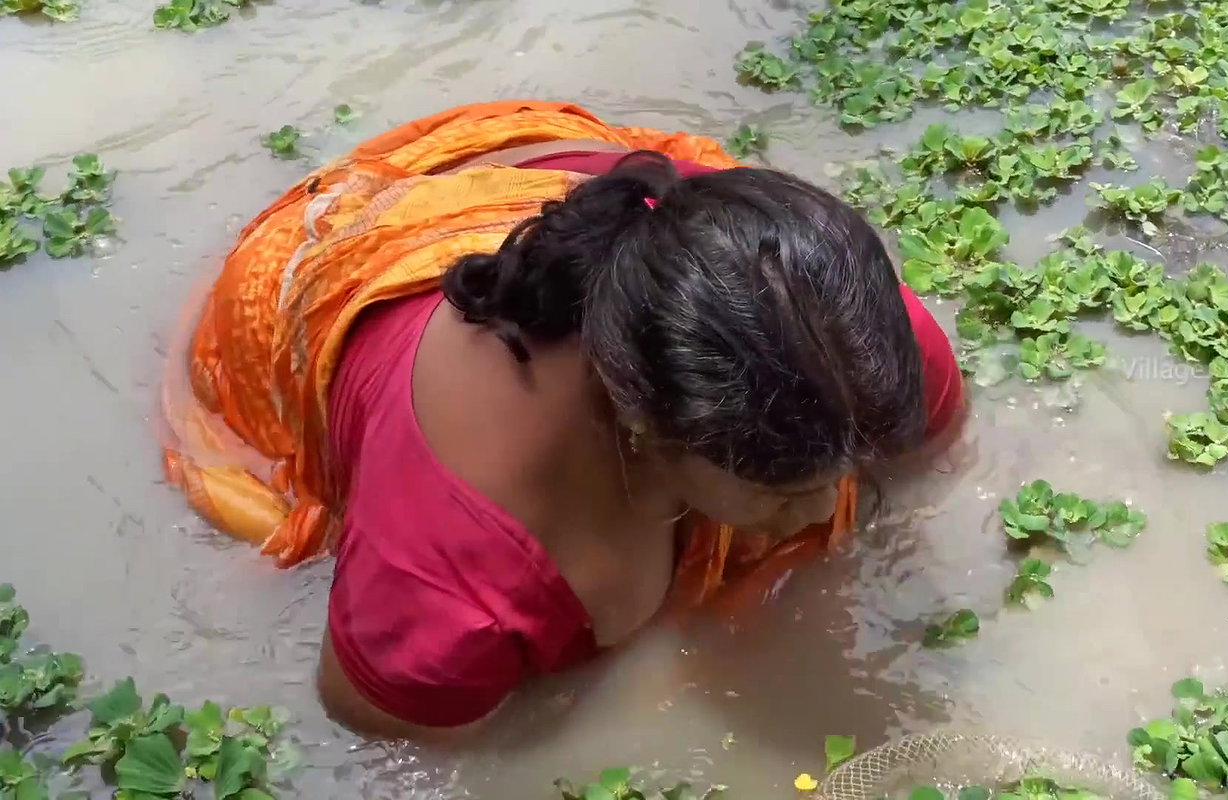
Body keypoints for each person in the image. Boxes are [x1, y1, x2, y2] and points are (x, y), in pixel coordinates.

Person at [160, 101, 965, 742]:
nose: (828, 510)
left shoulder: (835, 330)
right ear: (647, 427)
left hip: (584, 187)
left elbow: (931, 448)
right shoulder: (452, 576)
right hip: (309, 286)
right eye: (787, 492)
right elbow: (392, 733)